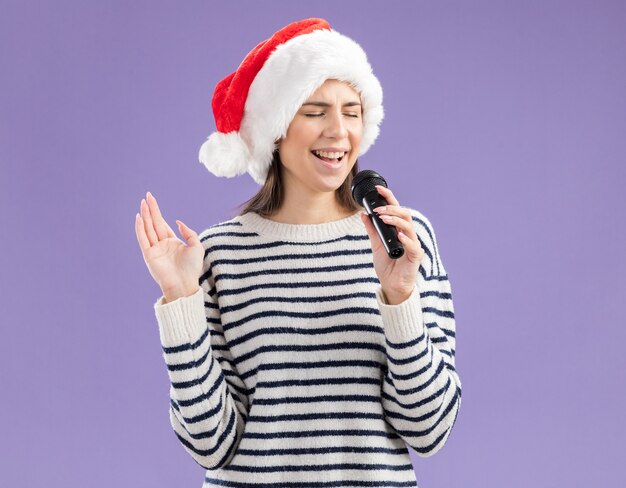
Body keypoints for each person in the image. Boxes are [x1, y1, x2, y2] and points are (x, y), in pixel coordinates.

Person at [134, 18, 461, 487]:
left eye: (352, 111)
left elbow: (430, 430)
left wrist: (400, 296)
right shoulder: (219, 255)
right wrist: (181, 299)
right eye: (315, 111)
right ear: (275, 128)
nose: (339, 130)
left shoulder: (406, 239)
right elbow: (211, 444)